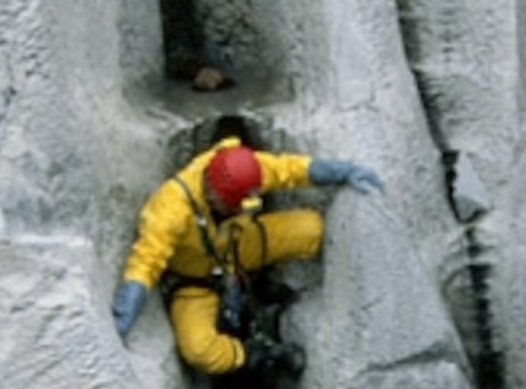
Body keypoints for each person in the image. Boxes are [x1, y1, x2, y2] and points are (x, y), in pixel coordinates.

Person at [111, 135, 383, 375]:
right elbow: (146, 262)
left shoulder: (245, 169)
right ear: (213, 194)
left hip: (236, 248)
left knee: (311, 229)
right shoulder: (171, 208)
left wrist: (343, 172)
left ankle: (263, 284)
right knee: (199, 349)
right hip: (194, 280)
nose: (238, 209)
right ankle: (253, 353)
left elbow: (289, 169)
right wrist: (123, 316)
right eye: (234, 205)